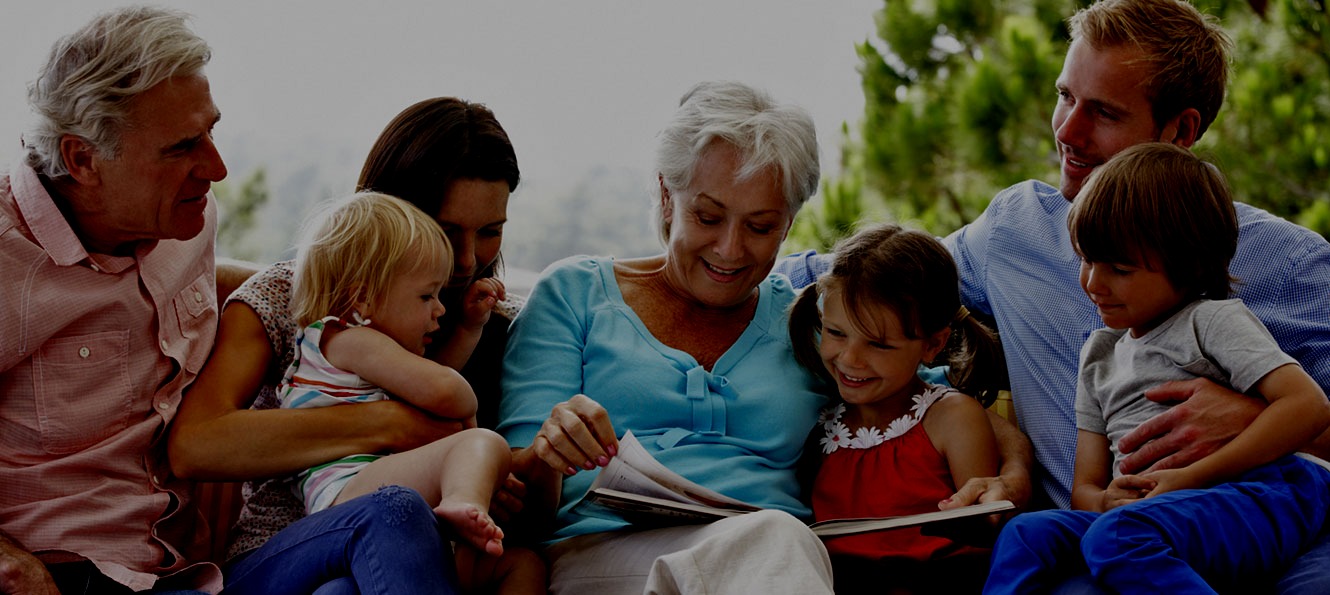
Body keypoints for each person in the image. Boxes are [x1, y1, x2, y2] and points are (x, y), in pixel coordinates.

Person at [775, 1, 1330, 581]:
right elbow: (866, 279)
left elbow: (1309, 419)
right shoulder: (1015, 228)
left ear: (1180, 129)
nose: (1067, 131)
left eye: (1104, 113)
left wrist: (1254, 417)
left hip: (1271, 530)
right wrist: (703, 266)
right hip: (1102, 544)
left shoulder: (1293, 264)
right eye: (1065, 96)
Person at [167, 98, 529, 593]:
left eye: (490, 232)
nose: (467, 260)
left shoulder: (487, 322)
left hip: (420, 559)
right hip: (283, 550)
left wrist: (509, 474)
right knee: (382, 525)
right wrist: (394, 425)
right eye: (446, 232)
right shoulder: (288, 299)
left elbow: (510, 479)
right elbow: (195, 444)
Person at [496, 80, 838, 594]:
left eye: (760, 226)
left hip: (771, 558)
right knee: (776, 541)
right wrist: (549, 453)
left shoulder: (809, 320)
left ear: (788, 224)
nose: (730, 249)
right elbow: (516, 504)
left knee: (774, 542)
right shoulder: (575, 295)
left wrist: (1006, 454)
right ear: (665, 194)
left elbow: (918, 392)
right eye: (708, 216)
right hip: (603, 558)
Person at [984, 142, 1330, 593]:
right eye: (1086, 259)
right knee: (1027, 535)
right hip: (1153, 513)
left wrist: (1191, 477)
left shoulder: (1212, 321)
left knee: (1121, 537)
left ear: (1188, 266)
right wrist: (1106, 500)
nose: (1093, 283)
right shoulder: (1099, 354)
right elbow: (1084, 489)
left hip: (1260, 493)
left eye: (1120, 269)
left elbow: (1309, 405)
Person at [0, 6, 226, 593]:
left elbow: (242, 289)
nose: (216, 168)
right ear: (82, 159)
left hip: (188, 568)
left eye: (211, 131)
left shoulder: (189, 221)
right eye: (181, 148)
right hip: (62, 571)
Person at [277, 191, 544, 593]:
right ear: (363, 298)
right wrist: (466, 417)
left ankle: (458, 506)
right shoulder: (347, 339)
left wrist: (470, 328)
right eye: (426, 296)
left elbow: (433, 380)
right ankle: (461, 502)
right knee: (482, 443)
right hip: (352, 492)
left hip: (384, 506)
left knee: (523, 565)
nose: (439, 308)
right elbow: (443, 390)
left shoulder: (371, 356)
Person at [788, 223, 1006, 593]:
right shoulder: (818, 423)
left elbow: (982, 535)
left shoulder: (953, 419)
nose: (850, 359)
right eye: (836, 333)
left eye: (878, 345)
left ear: (933, 345)